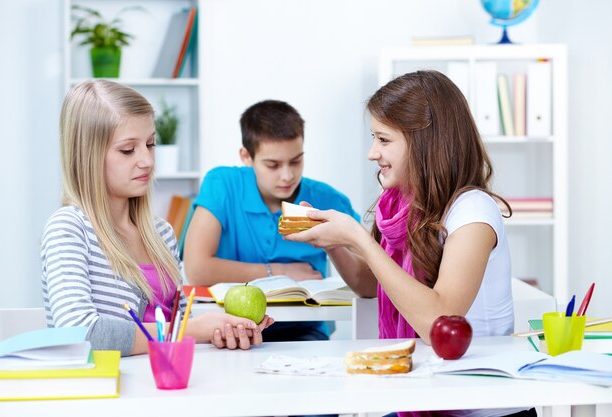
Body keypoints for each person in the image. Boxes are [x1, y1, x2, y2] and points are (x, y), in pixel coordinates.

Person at [286, 71, 536, 417]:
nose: (372, 153)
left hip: (477, 407)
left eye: (383, 140)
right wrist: (333, 243)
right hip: (428, 392)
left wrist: (358, 237)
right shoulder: (400, 206)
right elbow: (368, 285)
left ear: (424, 143)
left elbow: (439, 320)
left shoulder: (473, 211)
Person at [41, 80, 274, 357]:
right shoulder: (69, 229)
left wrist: (221, 329)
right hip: (112, 393)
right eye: (128, 150)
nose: (147, 161)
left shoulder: (160, 233)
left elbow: (176, 323)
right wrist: (194, 330)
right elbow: (80, 334)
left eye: (150, 144)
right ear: (87, 156)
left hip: (167, 384)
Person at [183, 99, 360, 342]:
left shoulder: (327, 198)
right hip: (228, 329)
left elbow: (369, 270)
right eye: (273, 165)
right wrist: (279, 272)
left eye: (296, 161)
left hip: (304, 333)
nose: (287, 176)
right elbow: (196, 269)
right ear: (246, 156)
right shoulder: (222, 184)